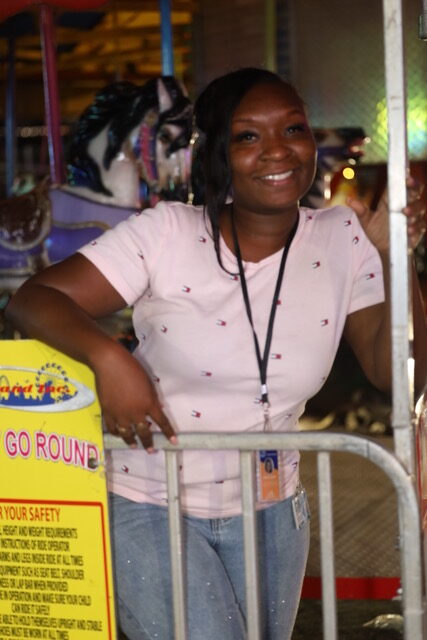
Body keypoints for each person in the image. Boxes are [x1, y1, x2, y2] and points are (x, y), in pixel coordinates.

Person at [6, 67, 427, 640]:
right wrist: (109, 360)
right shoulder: (167, 233)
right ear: (218, 154)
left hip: (272, 510)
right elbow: (34, 300)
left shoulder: (342, 237)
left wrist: (398, 259)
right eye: (248, 135)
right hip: (150, 500)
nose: (277, 150)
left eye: (293, 129)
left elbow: (396, 375)